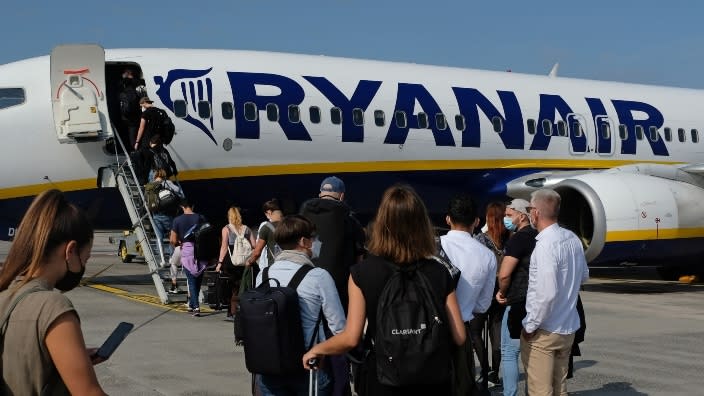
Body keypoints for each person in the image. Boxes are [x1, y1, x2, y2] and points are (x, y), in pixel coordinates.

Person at [302, 184, 466, 396]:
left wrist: (318, 349)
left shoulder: (362, 272)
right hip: (432, 380)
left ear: (382, 224)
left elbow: (351, 338)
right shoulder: (438, 271)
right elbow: (460, 336)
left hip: (384, 379)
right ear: (422, 225)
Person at [0, 189, 107, 395]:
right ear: (70, 251)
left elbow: (20, 364)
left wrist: (70, 360)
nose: (85, 263)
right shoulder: (53, 306)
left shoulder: (5, 296)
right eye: (86, 257)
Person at [255, 215, 346, 396]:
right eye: (313, 238)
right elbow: (340, 330)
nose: (316, 242)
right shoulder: (319, 276)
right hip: (308, 368)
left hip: (269, 366)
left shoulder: (263, 275)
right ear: (304, 241)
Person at [300, 176, 366, 396]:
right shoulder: (349, 220)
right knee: (337, 350)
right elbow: (359, 261)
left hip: (305, 291)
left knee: (308, 346)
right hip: (339, 294)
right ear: (342, 195)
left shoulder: (303, 215)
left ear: (320, 193)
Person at [521, 189, 589, 396]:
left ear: (535, 212)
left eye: (529, 209)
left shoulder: (545, 246)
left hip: (545, 329)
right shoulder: (572, 238)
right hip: (567, 327)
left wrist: (530, 325)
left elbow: (546, 293)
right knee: (559, 387)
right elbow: (584, 275)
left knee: (540, 390)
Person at [440, 194, 497, 394]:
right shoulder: (487, 256)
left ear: (448, 219)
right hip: (462, 331)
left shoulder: (433, 246)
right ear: (476, 221)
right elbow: (483, 305)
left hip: (430, 333)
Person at [495, 198, 537, 396]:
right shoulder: (538, 236)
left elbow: (504, 273)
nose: (505, 218)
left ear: (522, 216)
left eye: (509, 215)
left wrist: (502, 292)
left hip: (517, 301)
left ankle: (509, 393)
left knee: (510, 352)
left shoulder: (518, 239)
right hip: (535, 301)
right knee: (533, 354)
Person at [474, 201, 511, 385]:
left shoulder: (480, 240)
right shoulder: (509, 239)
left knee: (475, 332)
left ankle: (484, 366)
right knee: (496, 332)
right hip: (502, 290)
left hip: (483, 291)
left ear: (489, 218)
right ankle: (495, 373)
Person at [215, 206, 255, 321]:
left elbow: (224, 247)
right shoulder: (246, 229)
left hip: (231, 261)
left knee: (232, 287)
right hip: (244, 262)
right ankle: (242, 310)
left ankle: (232, 312)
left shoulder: (226, 229)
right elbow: (254, 245)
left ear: (229, 216)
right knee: (243, 286)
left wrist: (219, 263)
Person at [170, 199, 208, 317]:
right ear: (193, 205)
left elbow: (172, 240)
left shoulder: (177, 220)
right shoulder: (200, 218)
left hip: (187, 250)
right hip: (201, 250)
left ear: (182, 207)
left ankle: (196, 307)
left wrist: (178, 245)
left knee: (191, 279)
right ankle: (192, 304)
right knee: (198, 279)